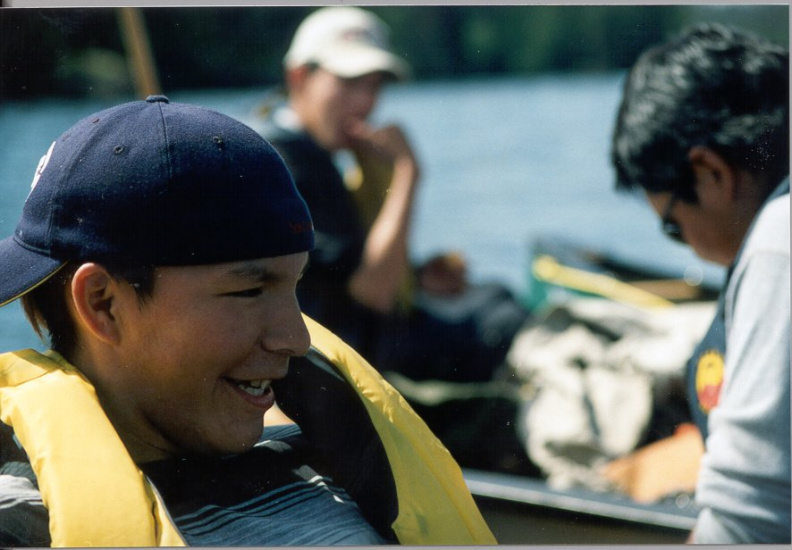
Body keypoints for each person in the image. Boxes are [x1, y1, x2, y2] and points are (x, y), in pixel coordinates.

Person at [0, 96, 496, 546]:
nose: (298, 339)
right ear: (104, 303)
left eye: (293, 287)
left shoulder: (331, 458)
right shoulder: (23, 525)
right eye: (249, 290)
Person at [251, 6, 527, 384]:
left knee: (496, 294)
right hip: (348, 359)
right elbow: (371, 293)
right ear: (299, 77)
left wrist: (414, 275)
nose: (365, 102)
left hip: (358, 338)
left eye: (374, 84)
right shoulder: (288, 162)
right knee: (503, 319)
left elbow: (336, 268)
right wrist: (408, 173)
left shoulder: (304, 152)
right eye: (349, 83)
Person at [610, 23, 789, 543]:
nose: (682, 240)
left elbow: (751, 519)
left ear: (712, 171)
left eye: (672, 224)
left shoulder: (780, 241)